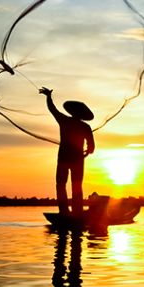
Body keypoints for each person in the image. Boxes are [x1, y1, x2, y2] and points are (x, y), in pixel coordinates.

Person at [39, 87, 95, 215]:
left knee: (61, 185)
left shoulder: (64, 120)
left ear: (72, 112)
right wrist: (85, 154)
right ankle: (77, 212)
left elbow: (52, 110)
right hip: (77, 160)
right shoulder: (85, 127)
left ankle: (64, 211)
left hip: (63, 158)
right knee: (76, 186)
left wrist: (48, 97)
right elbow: (91, 148)